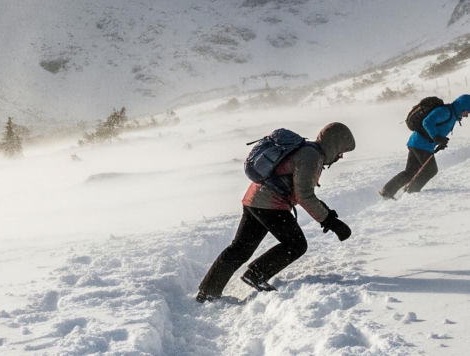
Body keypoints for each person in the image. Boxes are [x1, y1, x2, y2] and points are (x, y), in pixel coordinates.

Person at [196, 122, 355, 302]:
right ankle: (256, 275)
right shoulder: (312, 156)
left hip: (254, 199)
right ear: (334, 145)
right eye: (341, 151)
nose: (340, 156)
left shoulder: (308, 151)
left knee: (240, 248)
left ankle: (208, 292)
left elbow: (301, 191)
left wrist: (327, 215)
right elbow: (304, 195)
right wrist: (329, 221)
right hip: (270, 204)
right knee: (295, 244)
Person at [379, 94, 470, 199]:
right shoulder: (445, 112)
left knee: (410, 171)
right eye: (467, 111)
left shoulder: (452, 115)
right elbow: (427, 122)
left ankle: (387, 191)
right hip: (421, 144)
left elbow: (436, 129)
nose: (467, 114)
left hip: (418, 143)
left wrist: (440, 142)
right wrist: (436, 137)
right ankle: (411, 192)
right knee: (431, 170)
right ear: (463, 107)